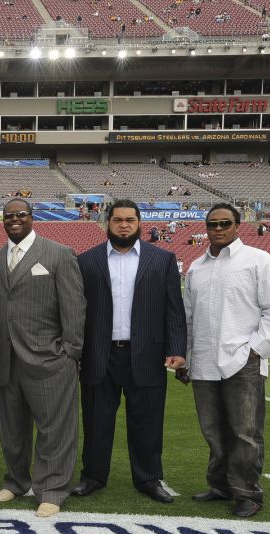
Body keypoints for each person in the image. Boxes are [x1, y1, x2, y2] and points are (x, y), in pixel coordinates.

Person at [176, 203, 270, 518]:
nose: (219, 228)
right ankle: (221, 485)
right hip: (204, 362)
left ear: (238, 225)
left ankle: (247, 493)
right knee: (213, 430)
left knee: (245, 431)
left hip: (244, 361)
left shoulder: (259, 261)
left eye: (225, 222)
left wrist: (254, 349)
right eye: (213, 224)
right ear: (206, 228)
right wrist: (185, 358)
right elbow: (188, 318)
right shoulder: (196, 267)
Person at [71, 200, 186, 504]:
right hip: (99, 354)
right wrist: (77, 351)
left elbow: (174, 310)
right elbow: (77, 312)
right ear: (107, 223)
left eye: (130, 220)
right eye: (118, 219)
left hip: (146, 353)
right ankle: (93, 476)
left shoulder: (162, 260)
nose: (124, 225)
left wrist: (177, 349)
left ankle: (148, 478)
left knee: (147, 421)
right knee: (97, 420)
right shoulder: (86, 261)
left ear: (139, 223)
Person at [0, 198, 85, 518]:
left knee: (55, 429)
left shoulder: (57, 253)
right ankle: (15, 481)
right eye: (9, 216)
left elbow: (74, 306)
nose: (14, 220)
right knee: (11, 429)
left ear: (31, 218)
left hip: (50, 358)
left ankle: (52, 489)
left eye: (20, 215)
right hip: (6, 357)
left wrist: (71, 351)